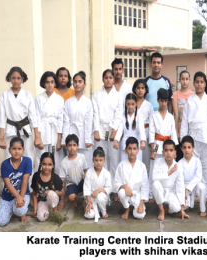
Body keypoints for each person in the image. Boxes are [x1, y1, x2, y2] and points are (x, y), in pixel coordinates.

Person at [0, 66, 42, 170]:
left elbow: (33, 116)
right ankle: (9, 185)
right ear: (9, 79)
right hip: (10, 130)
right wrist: (1, 139)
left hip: (25, 131)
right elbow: (1, 117)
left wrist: (37, 136)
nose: (16, 81)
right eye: (13, 78)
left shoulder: (27, 94)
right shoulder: (4, 95)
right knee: (9, 157)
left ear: (22, 79)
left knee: (28, 157)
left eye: (18, 78)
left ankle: (27, 185)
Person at [181, 72, 207, 200]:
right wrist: (183, 139)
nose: (199, 84)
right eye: (197, 82)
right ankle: (193, 194)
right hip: (193, 136)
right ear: (194, 83)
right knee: (194, 166)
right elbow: (184, 121)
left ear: (205, 84)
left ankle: (205, 194)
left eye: (201, 82)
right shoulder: (189, 101)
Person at [93, 69, 123, 202]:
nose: (108, 80)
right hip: (100, 127)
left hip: (112, 129)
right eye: (106, 77)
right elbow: (95, 114)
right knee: (101, 160)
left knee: (114, 160)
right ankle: (102, 189)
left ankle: (115, 190)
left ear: (113, 79)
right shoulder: (97, 95)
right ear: (103, 79)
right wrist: (96, 130)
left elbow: (118, 114)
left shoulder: (118, 96)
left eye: (111, 77)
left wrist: (114, 131)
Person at [148, 88, 178, 202]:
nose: (163, 103)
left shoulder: (170, 116)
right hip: (157, 144)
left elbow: (173, 132)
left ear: (167, 102)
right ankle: (151, 194)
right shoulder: (154, 115)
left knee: (167, 167)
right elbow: (151, 133)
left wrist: (174, 150)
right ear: (157, 100)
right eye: (161, 101)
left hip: (168, 146)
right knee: (154, 169)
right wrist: (152, 150)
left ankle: (167, 191)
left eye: (165, 101)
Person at [0, 137, 31, 226]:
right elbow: (8, 184)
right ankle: (10, 208)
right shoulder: (5, 164)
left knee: (20, 211)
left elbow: (25, 181)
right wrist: (17, 197)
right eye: (14, 149)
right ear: (9, 150)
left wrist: (20, 197)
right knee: (0, 221)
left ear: (23, 150)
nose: (17, 151)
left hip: (22, 194)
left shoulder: (27, 161)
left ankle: (20, 211)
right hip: (7, 196)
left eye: (19, 149)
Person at [152, 140, 190, 221]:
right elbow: (154, 177)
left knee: (176, 209)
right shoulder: (158, 162)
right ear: (162, 152)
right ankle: (161, 210)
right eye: (166, 150)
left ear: (175, 152)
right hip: (160, 190)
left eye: (171, 150)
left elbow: (180, 187)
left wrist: (182, 209)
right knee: (155, 184)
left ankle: (168, 206)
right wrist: (169, 172)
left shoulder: (178, 166)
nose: (168, 153)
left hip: (170, 192)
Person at [34, 71, 65, 173]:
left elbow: (61, 119)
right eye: (47, 82)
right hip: (42, 130)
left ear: (55, 83)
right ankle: (38, 183)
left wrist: (60, 139)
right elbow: (36, 118)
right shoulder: (38, 98)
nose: (50, 84)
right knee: (41, 156)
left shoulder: (59, 99)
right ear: (44, 84)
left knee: (56, 158)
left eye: (52, 82)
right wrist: (38, 137)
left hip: (55, 131)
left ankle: (56, 183)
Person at [62, 71, 93, 168]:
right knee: (72, 162)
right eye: (75, 82)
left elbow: (88, 122)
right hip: (72, 133)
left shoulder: (88, 102)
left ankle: (85, 182)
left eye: (80, 81)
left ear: (84, 84)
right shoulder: (68, 102)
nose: (77, 84)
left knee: (85, 162)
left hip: (84, 135)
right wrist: (64, 140)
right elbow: (66, 122)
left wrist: (88, 139)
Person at [114, 137, 149, 220]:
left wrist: (141, 204)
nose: (132, 152)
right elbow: (116, 183)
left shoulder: (142, 166)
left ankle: (135, 206)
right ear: (125, 150)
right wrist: (124, 186)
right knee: (121, 192)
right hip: (126, 195)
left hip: (137, 195)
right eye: (129, 149)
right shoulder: (121, 165)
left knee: (140, 216)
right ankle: (127, 208)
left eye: (134, 149)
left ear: (138, 150)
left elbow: (145, 186)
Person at [178, 136, 206, 217]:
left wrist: (188, 189)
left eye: (189, 147)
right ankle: (188, 205)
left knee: (202, 187)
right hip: (183, 187)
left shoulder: (197, 161)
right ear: (181, 149)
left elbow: (198, 177)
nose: (187, 150)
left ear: (193, 148)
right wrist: (184, 190)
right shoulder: (179, 163)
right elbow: (179, 180)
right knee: (183, 206)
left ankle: (203, 210)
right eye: (184, 147)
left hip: (194, 185)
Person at [31, 152, 63, 222]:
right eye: (44, 164)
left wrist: (51, 191)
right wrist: (35, 210)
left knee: (51, 194)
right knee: (41, 218)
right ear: (40, 164)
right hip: (42, 202)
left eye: (49, 164)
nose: (47, 167)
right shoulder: (36, 176)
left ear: (53, 165)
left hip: (53, 201)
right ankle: (45, 210)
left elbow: (61, 193)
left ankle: (55, 213)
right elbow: (34, 194)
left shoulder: (56, 178)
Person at [59, 134, 89, 209]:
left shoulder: (81, 157)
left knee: (88, 184)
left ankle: (86, 199)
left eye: (74, 145)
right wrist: (62, 199)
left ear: (78, 146)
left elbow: (86, 169)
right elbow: (61, 181)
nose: (72, 148)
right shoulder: (64, 162)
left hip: (82, 181)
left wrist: (85, 175)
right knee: (71, 197)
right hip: (71, 184)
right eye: (69, 145)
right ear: (66, 147)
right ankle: (73, 198)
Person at [114, 93, 146, 161]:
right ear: (125, 104)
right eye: (128, 104)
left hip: (136, 141)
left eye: (132, 104)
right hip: (126, 143)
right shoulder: (123, 116)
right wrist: (116, 140)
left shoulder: (139, 116)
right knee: (124, 162)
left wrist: (142, 141)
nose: (130, 106)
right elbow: (120, 129)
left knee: (137, 163)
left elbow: (141, 129)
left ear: (136, 104)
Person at [83, 147, 112, 222]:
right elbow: (86, 189)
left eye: (100, 160)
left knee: (100, 197)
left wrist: (98, 190)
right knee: (89, 215)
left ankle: (103, 211)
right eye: (96, 160)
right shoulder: (89, 172)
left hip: (102, 198)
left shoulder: (106, 173)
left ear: (104, 160)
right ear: (93, 160)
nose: (98, 162)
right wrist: (89, 203)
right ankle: (89, 205)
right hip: (91, 198)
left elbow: (109, 188)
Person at [172, 70, 194, 161]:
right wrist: (177, 131)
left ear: (189, 80)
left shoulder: (193, 95)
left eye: (186, 79)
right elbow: (176, 114)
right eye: (182, 79)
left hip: (191, 130)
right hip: (180, 128)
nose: (184, 81)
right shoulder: (175, 95)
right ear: (179, 80)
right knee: (180, 156)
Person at [133, 79, 153, 173]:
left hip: (145, 135)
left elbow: (152, 123)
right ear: (135, 89)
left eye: (142, 88)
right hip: (133, 133)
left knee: (145, 162)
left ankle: (146, 185)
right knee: (134, 160)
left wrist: (150, 139)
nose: (140, 90)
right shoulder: (131, 104)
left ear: (145, 90)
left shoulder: (149, 105)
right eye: (138, 88)